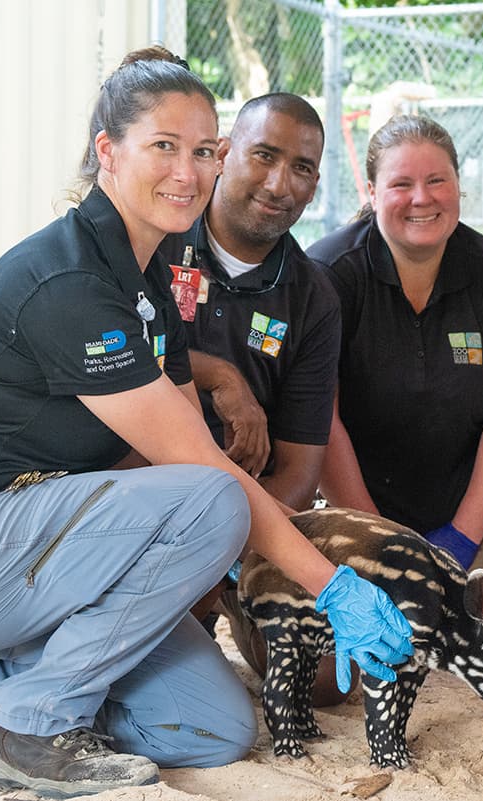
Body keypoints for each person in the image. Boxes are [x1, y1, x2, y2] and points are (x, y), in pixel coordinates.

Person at [0, 48, 412, 799]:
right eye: (164, 146)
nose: (188, 172)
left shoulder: (154, 279)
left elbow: (168, 453)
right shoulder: (70, 279)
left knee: (210, 728)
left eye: (203, 151)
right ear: (108, 151)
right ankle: (29, 726)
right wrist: (334, 586)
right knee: (211, 496)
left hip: (35, 555)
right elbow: (200, 468)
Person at [154, 93, 345, 691]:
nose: (279, 184)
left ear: (315, 185)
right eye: (264, 155)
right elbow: (114, 362)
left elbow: (300, 471)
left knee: (322, 678)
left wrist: (225, 561)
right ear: (223, 153)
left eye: (301, 168)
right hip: (139, 495)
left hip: (244, 523)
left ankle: (216, 605)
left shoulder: (314, 296)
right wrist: (219, 375)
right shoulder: (157, 238)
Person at [307, 115, 483, 585]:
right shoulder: (330, 273)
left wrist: (460, 540)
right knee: (364, 624)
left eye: (437, 180)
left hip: (475, 510)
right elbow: (320, 421)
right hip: (355, 507)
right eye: (402, 184)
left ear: (458, 185)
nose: (422, 198)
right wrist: (381, 544)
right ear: (372, 193)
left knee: (472, 616)